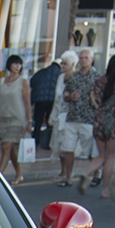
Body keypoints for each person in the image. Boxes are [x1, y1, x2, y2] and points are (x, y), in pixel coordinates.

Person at [77, 54, 115, 199]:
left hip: (99, 120)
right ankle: (104, 190)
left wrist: (99, 109)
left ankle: (85, 174)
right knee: (110, 156)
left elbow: (89, 100)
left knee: (101, 155)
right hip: (114, 122)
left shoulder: (98, 81)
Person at [56, 47, 100, 187]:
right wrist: (69, 96)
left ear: (92, 60)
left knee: (90, 150)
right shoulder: (74, 76)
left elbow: (101, 99)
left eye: (86, 58)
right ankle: (68, 177)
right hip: (72, 117)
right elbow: (65, 95)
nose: (83, 61)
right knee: (68, 148)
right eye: (81, 58)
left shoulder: (97, 77)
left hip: (88, 118)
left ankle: (96, 173)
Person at [0, 54, 31, 184]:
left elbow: (27, 101)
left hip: (17, 118)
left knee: (6, 147)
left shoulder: (23, 81)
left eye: (19, 64)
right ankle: (19, 174)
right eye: (15, 63)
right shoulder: (1, 81)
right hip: (3, 117)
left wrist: (30, 120)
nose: (17, 66)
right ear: (9, 65)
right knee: (10, 148)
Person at [48, 51, 77, 181]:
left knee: (68, 145)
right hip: (59, 114)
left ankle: (69, 172)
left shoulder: (76, 78)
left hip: (70, 116)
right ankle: (63, 170)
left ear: (72, 64)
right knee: (58, 144)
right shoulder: (60, 77)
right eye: (62, 63)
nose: (63, 66)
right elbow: (56, 97)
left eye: (66, 64)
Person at [29, 57, 62, 151]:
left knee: (38, 121)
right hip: (52, 100)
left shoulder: (41, 72)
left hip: (39, 100)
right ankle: (47, 141)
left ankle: (35, 140)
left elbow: (32, 81)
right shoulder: (60, 74)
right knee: (49, 121)